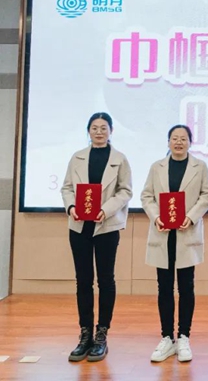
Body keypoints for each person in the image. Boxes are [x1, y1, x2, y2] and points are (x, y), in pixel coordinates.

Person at [61, 112, 133, 362]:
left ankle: (102, 335)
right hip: (79, 226)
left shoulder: (119, 159)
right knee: (83, 281)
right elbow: (67, 187)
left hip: (107, 226)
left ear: (111, 131)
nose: (99, 132)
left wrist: (106, 209)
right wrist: (71, 206)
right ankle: (85, 335)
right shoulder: (77, 157)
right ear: (88, 131)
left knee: (106, 280)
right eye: (94, 127)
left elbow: (125, 191)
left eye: (104, 127)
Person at [141, 125, 208, 363]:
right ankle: (166, 337)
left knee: (186, 287)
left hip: (186, 233)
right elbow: (146, 196)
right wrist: (156, 217)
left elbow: (207, 194)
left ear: (190, 142)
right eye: (175, 138)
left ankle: (183, 336)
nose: (179, 142)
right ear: (168, 142)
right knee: (164, 287)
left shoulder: (199, 167)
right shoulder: (157, 167)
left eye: (183, 138)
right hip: (163, 233)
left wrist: (191, 217)